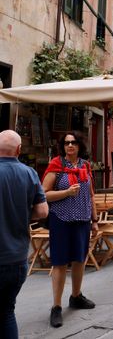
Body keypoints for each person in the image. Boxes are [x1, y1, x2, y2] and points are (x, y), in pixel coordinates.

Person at [42, 131, 98, 328]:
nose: (70, 146)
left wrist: (95, 220)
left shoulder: (86, 166)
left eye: (73, 142)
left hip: (82, 220)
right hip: (61, 220)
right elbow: (44, 194)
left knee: (79, 260)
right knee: (59, 262)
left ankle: (76, 296)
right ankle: (56, 307)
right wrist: (66, 192)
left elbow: (91, 195)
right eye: (66, 143)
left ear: (80, 145)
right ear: (63, 146)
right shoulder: (57, 165)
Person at [0, 130, 48, 339]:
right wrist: (19, 214)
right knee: (6, 313)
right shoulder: (29, 173)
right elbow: (42, 212)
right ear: (19, 150)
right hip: (16, 258)